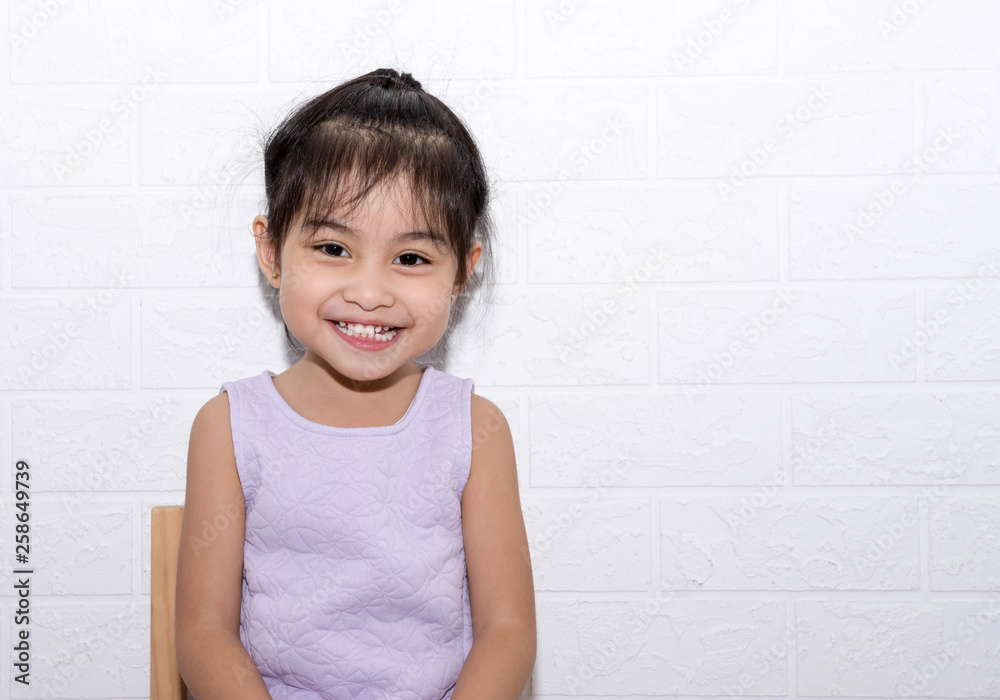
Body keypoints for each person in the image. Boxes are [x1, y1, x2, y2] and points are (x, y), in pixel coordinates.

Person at [174, 67, 536, 700]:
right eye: (334, 249)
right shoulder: (229, 424)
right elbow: (204, 635)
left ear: (462, 272)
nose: (369, 293)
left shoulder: (475, 428)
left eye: (412, 259)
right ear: (272, 250)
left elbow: (507, 632)